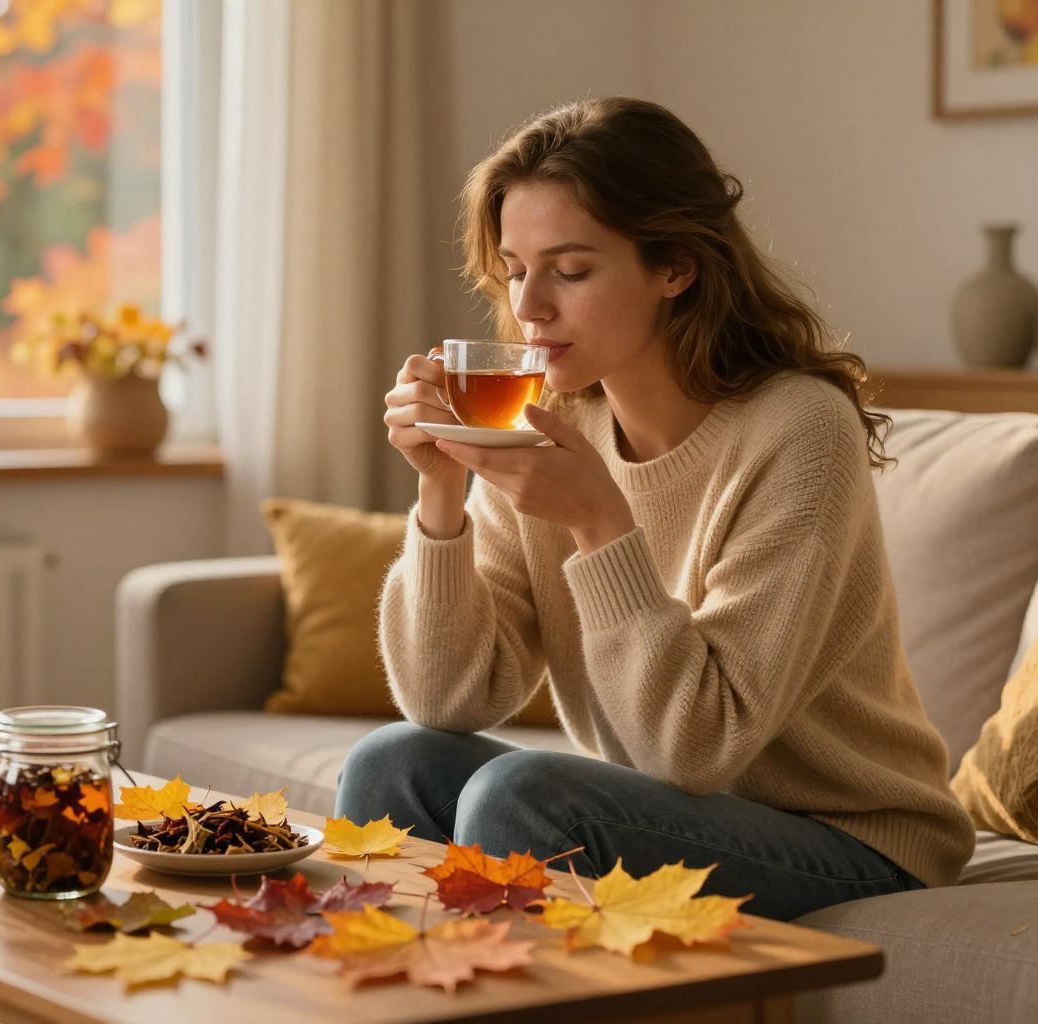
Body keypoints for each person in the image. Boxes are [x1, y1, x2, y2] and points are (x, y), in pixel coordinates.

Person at [341, 97, 974, 922]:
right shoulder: (550, 418)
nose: (529, 308)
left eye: (570, 271)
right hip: (674, 805)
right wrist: (441, 488)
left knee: (522, 794)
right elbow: (448, 700)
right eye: (516, 269)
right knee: (394, 761)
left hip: (851, 839)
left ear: (675, 266)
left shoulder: (799, 430)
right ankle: (408, 985)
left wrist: (600, 524)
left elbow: (698, 748)